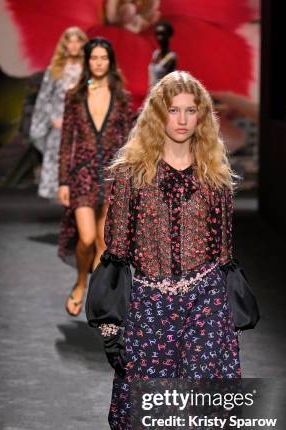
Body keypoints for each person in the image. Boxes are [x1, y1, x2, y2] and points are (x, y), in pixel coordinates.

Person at [86, 71, 255, 430]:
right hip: (150, 306)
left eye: (191, 111)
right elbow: (115, 252)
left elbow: (225, 253)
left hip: (205, 305)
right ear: (158, 115)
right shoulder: (129, 174)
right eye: (173, 110)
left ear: (201, 117)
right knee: (144, 425)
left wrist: (228, 310)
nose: (182, 120)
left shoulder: (215, 175)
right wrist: (112, 328)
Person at [57, 37, 134, 316]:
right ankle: (79, 282)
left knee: (104, 242)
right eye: (94, 58)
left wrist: (129, 177)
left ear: (110, 61)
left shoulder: (122, 98)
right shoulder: (74, 96)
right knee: (86, 238)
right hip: (82, 174)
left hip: (111, 174)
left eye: (104, 58)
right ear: (87, 61)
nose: (99, 63)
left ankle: (97, 298)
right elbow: (67, 141)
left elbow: (129, 139)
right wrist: (63, 180)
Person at [30, 27, 87, 201]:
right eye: (70, 41)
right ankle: (66, 205)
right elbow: (44, 98)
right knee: (60, 162)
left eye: (78, 41)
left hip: (83, 124)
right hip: (60, 125)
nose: (74, 45)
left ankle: (80, 201)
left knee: (81, 162)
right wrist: (51, 118)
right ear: (65, 44)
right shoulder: (55, 69)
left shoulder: (88, 68)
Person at [148, 20, 177, 89]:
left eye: (162, 34)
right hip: (151, 93)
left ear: (169, 36)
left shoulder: (171, 57)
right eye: (157, 34)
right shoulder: (155, 54)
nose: (159, 37)